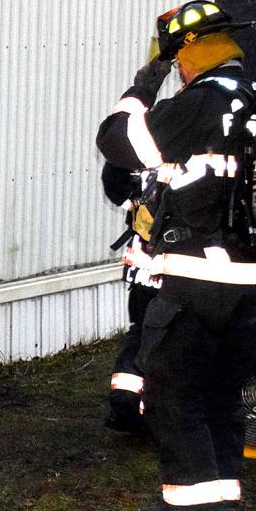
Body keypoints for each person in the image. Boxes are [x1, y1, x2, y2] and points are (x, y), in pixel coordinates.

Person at [97, 0, 256, 511]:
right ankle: (222, 488)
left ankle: (192, 495)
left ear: (191, 52)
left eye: (177, 59)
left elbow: (118, 143)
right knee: (223, 389)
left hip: (197, 274)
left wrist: (142, 85)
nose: (177, 67)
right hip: (251, 276)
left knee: (171, 386)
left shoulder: (201, 100)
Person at [101, 163, 161, 435]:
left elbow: (113, 175)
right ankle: (151, 410)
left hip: (141, 269)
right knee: (168, 338)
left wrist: (134, 205)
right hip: (173, 270)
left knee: (140, 333)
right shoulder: (188, 143)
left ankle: (125, 404)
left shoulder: (140, 146)